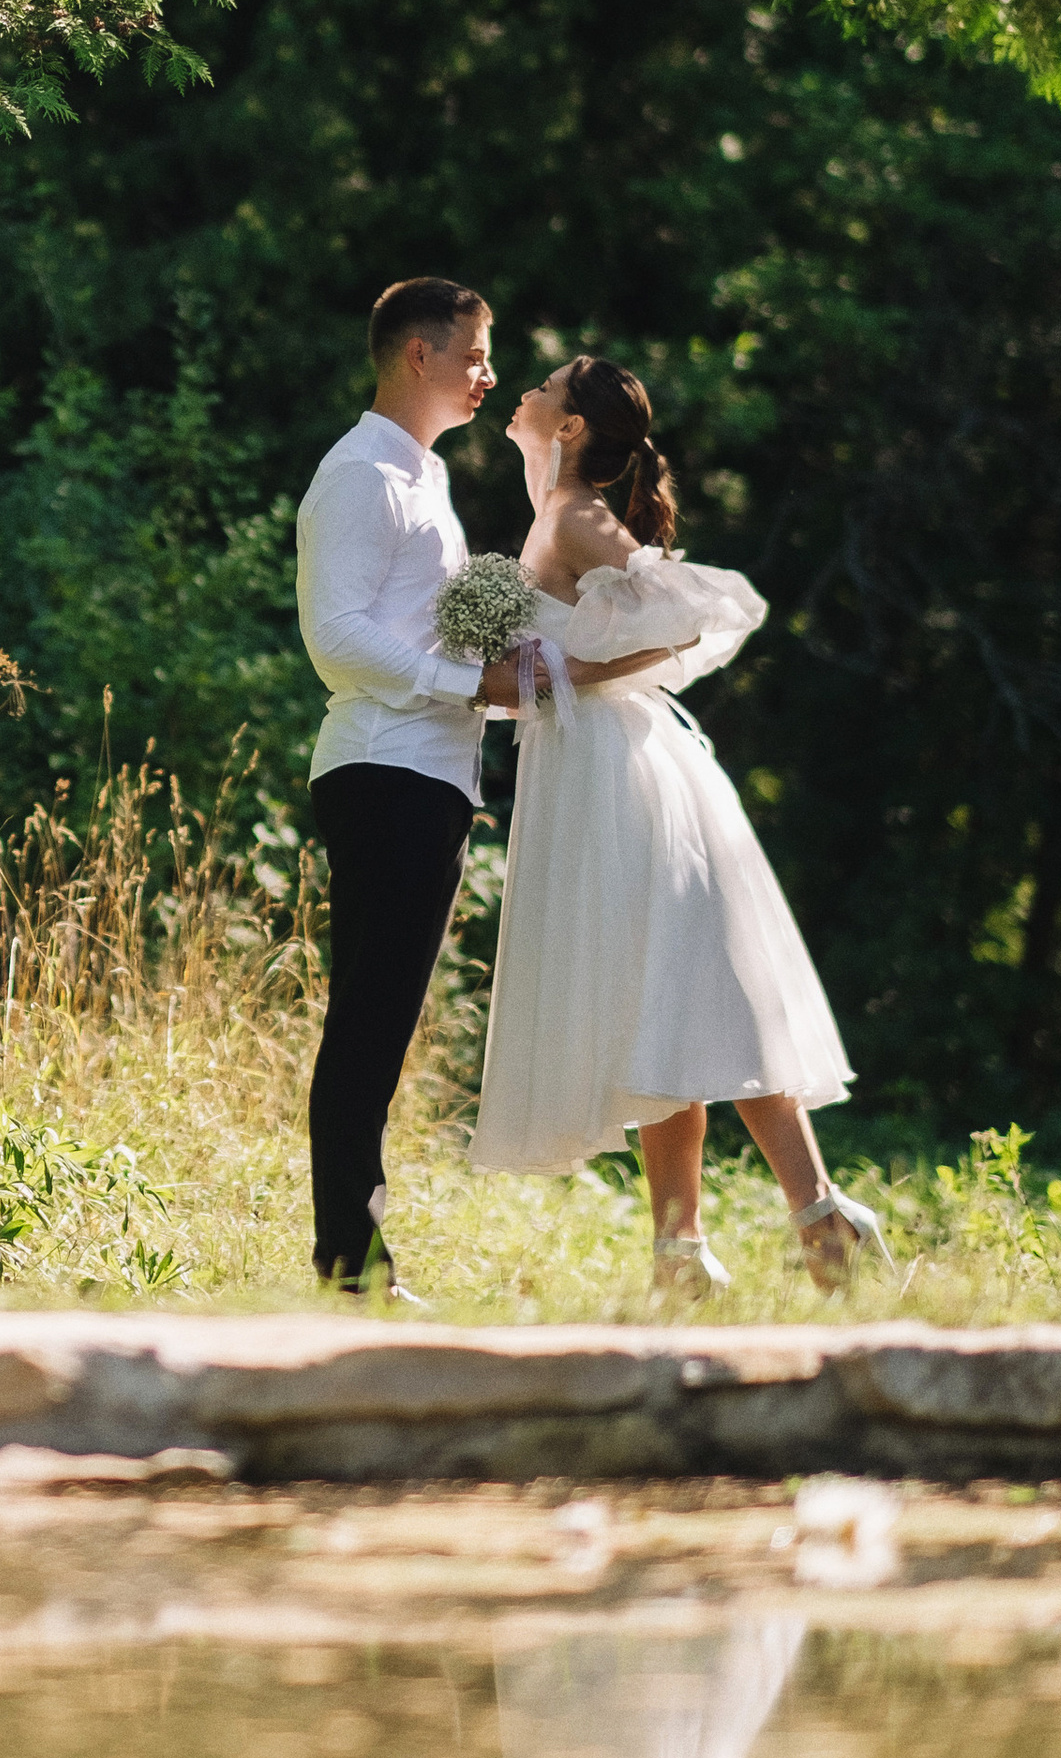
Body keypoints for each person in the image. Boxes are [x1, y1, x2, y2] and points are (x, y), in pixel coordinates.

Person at [468, 352, 885, 1289]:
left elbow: (678, 620)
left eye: (545, 386)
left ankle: (784, 1226)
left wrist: (566, 675)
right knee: (653, 1007)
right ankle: (703, 1250)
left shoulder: (577, 516)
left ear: (569, 427)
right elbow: (562, 652)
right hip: (590, 769)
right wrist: (513, 679)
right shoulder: (552, 513)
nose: (526, 390)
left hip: (620, 776)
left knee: (668, 995)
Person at [293, 281, 656, 1301]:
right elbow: (337, 641)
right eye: (476, 356)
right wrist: (476, 683)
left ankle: (350, 1262)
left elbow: (421, 635)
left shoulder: (425, 475)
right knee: (369, 1021)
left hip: (429, 774)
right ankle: (349, 1267)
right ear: (418, 354)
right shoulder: (360, 473)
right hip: (382, 770)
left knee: (382, 1020)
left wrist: (534, 675)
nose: (489, 376)